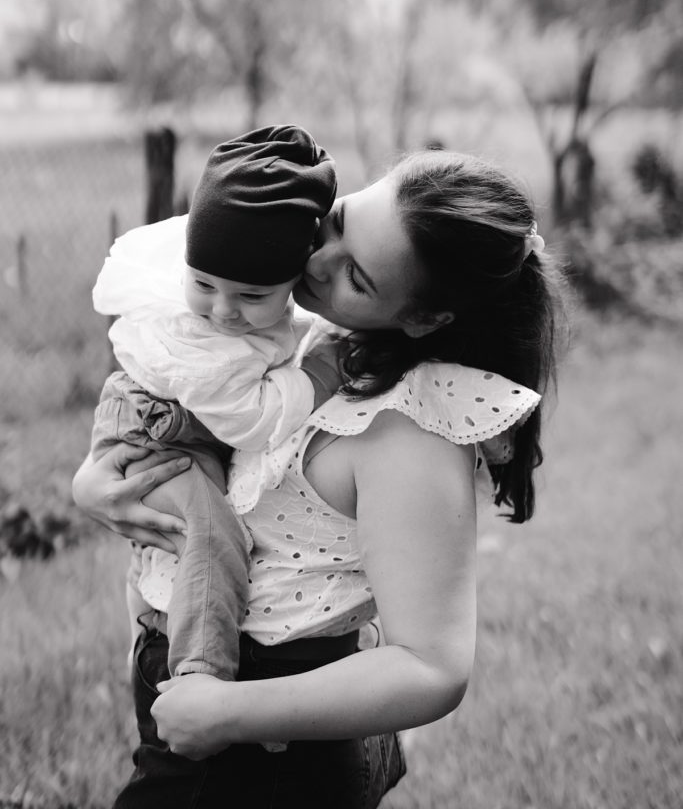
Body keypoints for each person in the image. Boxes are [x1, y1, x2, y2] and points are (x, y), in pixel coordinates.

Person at [73, 147, 564, 809]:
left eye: (355, 276)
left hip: (262, 739)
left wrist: (227, 712)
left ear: (423, 318)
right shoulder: (294, 326)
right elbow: (178, 414)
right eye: (333, 223)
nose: (315, 260)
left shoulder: (404, 434)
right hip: (204, 701)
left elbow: (433, 667)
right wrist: (96, 480)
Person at [90, 124, 338, 682]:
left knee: (176, 541)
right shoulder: (198, 344)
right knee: (210, 533)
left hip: (175, 424)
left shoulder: (237, 297)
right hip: (157, 430)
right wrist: (319, 376)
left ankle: (149, 628)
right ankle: (201, 673)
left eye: (252, 296)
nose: (222, 310)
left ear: (295, 281)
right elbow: (256, 419)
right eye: (203, 284)